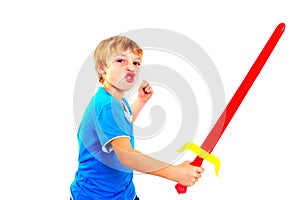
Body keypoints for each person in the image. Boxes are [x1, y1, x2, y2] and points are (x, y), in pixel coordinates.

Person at [70, 35, 204, 200]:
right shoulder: (106, 106)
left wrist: (140, 102)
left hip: (124, 194)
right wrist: (175, 173)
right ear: (102, 69)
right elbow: (126, 155)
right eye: (121, 61)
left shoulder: (117, 101)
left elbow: (118, 128)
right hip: (96, 196)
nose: (131, 67)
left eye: (136, 63)